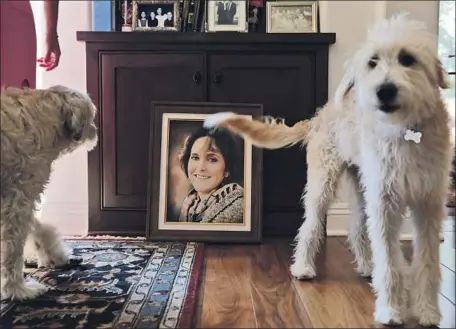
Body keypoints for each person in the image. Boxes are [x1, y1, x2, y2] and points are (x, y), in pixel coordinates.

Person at [177, 127, 244, 223]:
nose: (200, 168)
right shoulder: (189, 205)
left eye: (212, 159)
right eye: (195, 157)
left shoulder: (239, 207)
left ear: (227, 169)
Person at [1, 0, 61, 89]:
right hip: (16, 17)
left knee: (19, 95)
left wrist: (51, 34)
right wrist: (51, 34)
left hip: (15, 19)